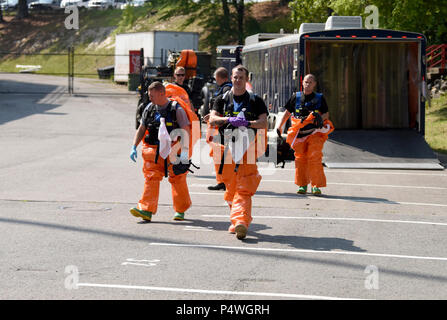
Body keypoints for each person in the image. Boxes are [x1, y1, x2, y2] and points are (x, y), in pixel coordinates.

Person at [209, 65, 268, 240]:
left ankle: (241, 221)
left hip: (248, 148)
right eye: (235, 77)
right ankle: (237, 219)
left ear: (247, 79)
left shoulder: (255, 100)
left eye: (241, 77)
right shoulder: (222, 98)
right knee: (231, 187)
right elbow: (212, 118)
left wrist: (247, 123)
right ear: (231, 78)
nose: (238, 80)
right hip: (225, 147)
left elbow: (263, 123)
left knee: (245, 186)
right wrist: (229, 119)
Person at [129, 81, 193, 222]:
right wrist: (134, 146)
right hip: (153, 150)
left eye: (152, 95)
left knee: (178, 178)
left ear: (162, 94)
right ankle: (146, 209)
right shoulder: (149, 108)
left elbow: (185, 131)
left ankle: (181, 210)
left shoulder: (177, 109)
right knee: (151, 177)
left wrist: (184, 152)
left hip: (174, 148)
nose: (150, 98)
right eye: (149, 95)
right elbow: (142, 128)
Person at [278, 74, 333, 196]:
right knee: (300, 159)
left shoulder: (319, 98)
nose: (308, 84)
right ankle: (302, 184)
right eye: (306, 82)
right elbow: (287, 113)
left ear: (314, 84)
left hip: (314, 133)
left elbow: (326, 114)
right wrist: (280, 126)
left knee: (314, 157)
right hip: (299, 134)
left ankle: (316, 185)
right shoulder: (295, 97)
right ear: (302, 83)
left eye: (310, 82)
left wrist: (318, 117)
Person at [204, 67, 233, 191]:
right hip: (219, 125)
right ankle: (222, 181)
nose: (215, 80)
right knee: (219, 155)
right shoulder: (224, 89)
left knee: (222, 155)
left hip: (222, 127)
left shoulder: (226, 90)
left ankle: (224, 181)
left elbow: (225, 108)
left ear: (221, 78)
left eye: (216, 78)